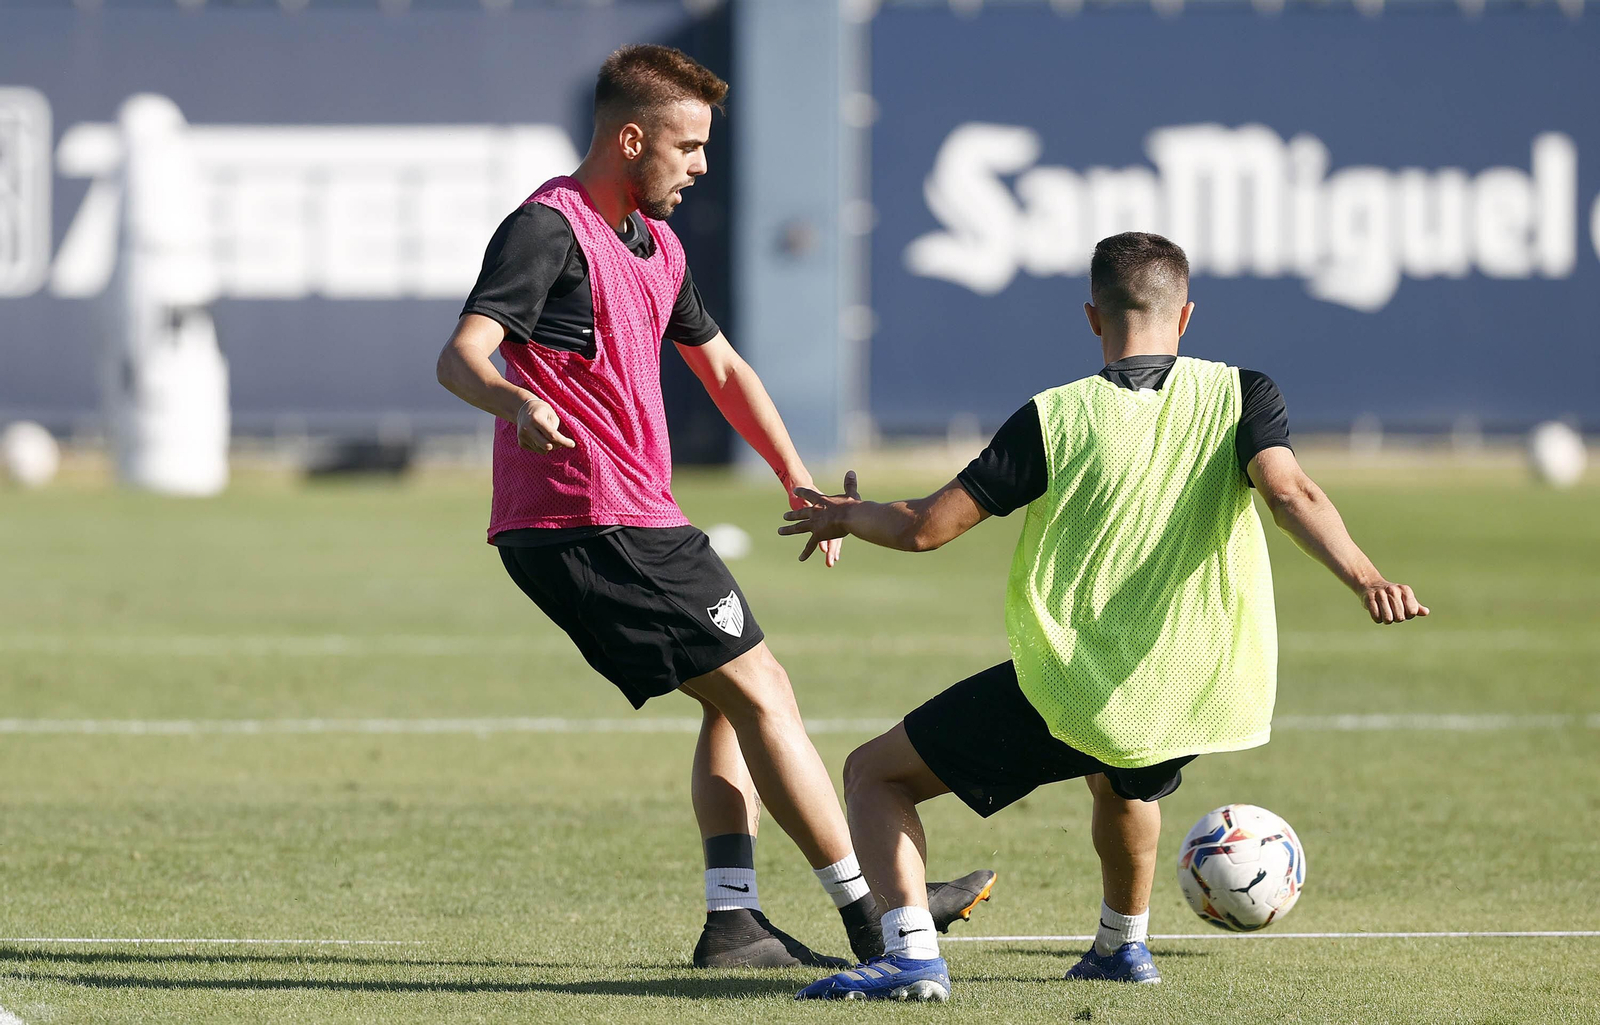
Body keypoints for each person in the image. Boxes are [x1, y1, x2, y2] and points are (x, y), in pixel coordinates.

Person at [434, 44, 993, 970]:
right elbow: (461, 355)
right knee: (765, 691)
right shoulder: (547, 228)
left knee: (733, 704)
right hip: (588, 519)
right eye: (687, 146)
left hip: (636, 515)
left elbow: (724, 369)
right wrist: (517, 401)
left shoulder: (656, 243)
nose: (700, 166)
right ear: (630, 137)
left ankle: (734, 921)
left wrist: (794, 476)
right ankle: (875, 915)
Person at [781, 232, 1429, 1001]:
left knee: (873, 773)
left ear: (1092, 317)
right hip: (1191, 685)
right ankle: (1122, 946)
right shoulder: (1243, 393)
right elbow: (1292, 494)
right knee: (1124, 780)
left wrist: (850, 515)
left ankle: (912, 954)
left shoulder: (1054, 418)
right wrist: (1365, 576)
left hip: (1077, 687)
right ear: (1185, 315)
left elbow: (926, 527)